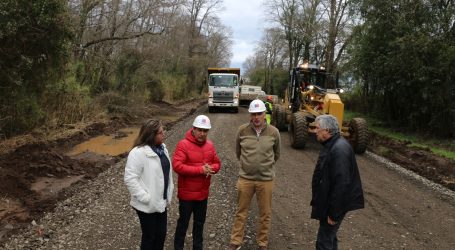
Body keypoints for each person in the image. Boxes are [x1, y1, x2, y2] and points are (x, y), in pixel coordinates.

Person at [229, 99, 281, 250]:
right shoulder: (242, 130)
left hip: (266, 180)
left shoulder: (274, 132)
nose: (256, 117)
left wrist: (265, 167)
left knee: (265, 214)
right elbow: (238, 152)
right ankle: (236, 241)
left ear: (265, 114)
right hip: (245, 179)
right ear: (250, 115)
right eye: (253, 114)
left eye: (259, 114)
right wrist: (248, 166)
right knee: (241, 212)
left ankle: (262, 243)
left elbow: (276, 154)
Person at [311, 115, 364, 250]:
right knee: (329, 238)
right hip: (329, 204)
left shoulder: (339, 149)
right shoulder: (331, 144)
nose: (315, 131)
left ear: (327, 130)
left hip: (334, 207)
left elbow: (342, 184)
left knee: (323, 243)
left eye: (317, 128)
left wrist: (334, 213)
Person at [172, 115, 221, 250]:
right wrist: (200, 170)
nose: (202, 133)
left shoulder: (210, 145)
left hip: (202, 195)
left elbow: (217, 163)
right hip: (187, 196)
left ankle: (197, 247)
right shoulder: (183, 144)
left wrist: (212, 168)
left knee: (199, 224)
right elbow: (177, 166)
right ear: (193, 129)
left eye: (205, 131)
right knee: (183, 223)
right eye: (199, 130)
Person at [124, 119, 173, 250]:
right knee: (150, 236)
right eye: (161, 132)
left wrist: (168, 193)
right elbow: (130, 178)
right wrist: (145, 198)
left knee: (161, 235)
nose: (164, 134)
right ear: (151, 135)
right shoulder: (137, 153)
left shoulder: (162, 149)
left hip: (161, 201)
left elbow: (166, 174)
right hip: (147, 205)